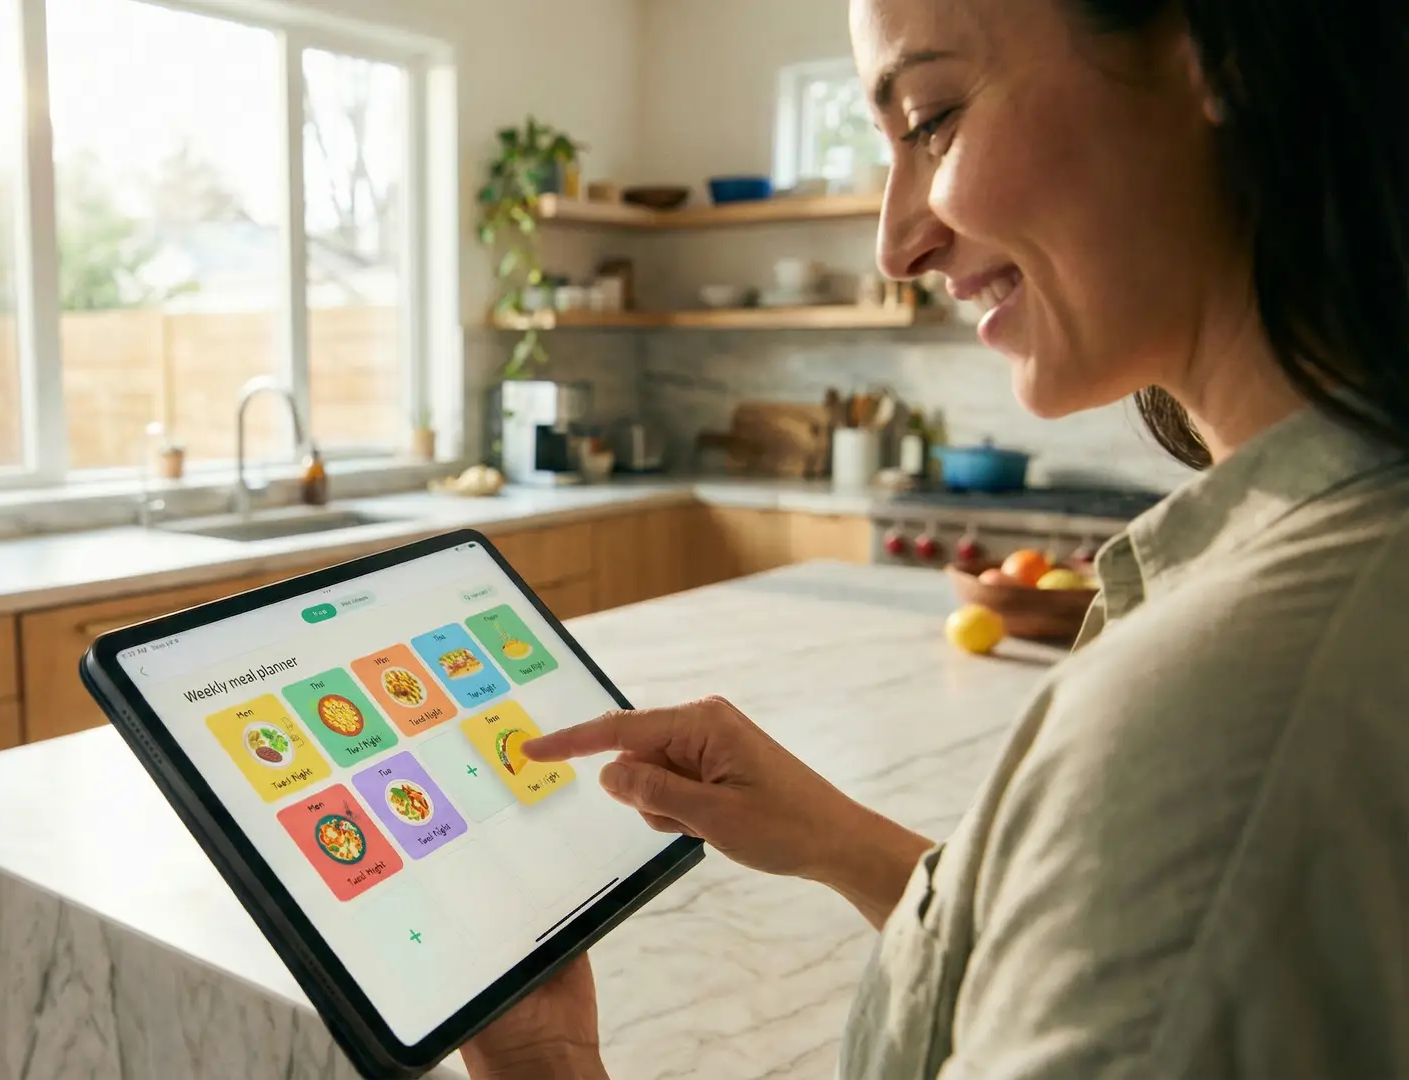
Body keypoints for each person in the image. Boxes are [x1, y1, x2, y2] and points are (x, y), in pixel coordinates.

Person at [462, 0, 1409, 1076]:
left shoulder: (1227, 709)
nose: (897, 242)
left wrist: (544, 1067)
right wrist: (830, 837)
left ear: (1220, 53)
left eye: (933, 118)